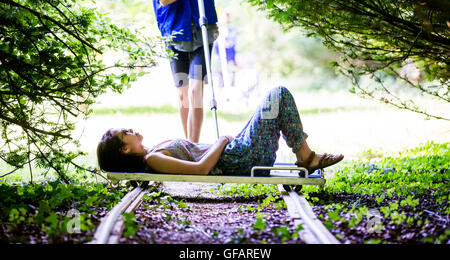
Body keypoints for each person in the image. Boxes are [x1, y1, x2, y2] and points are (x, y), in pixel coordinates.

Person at [97, 86, 344, 176]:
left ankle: (305, 156)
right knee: (277, 95)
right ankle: (305, 157)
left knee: (276, 99)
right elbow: (201, 170)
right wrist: (222, 140)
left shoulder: (153, 152)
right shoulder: (153, 159)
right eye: (124, 133)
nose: (131, 130)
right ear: (125, 148)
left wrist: (226, 141)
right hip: (239, 159)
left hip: (236, 154)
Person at [149, 0, 226, 143]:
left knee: (196, 90)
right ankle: (189, 147)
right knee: (184, 96)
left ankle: (192, 146)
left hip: (203, 32)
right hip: (175, 34)